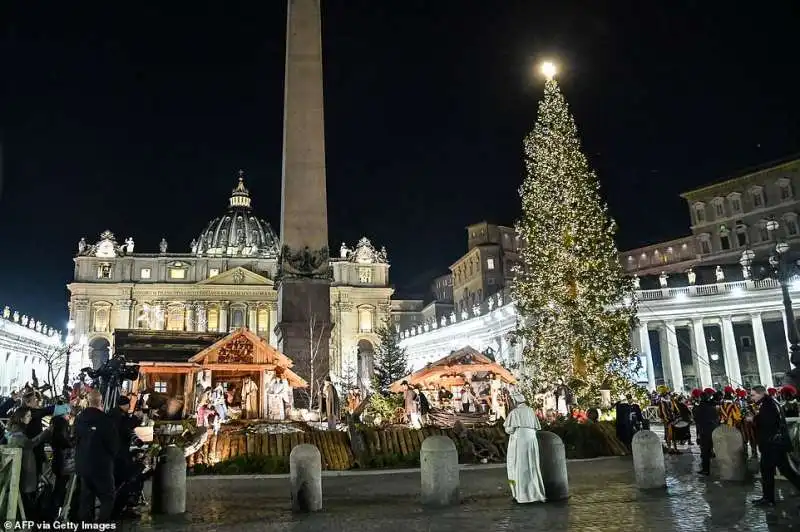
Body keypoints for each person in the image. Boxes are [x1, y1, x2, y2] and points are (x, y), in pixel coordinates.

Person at [748, 385, 800, 507]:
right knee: (780, 471)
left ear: (761, 394)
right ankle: (768, 498)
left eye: (753, 395)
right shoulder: (768, 402)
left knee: (775, 471)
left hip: (772, 445)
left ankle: (768, 499)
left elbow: (769, 423)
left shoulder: (768, 405)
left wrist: (753, 419)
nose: (751, 397)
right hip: (774, 444)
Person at [75, 389, 119, 522]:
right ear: (101, 401)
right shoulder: (105, 420)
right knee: (108, 497)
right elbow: (113, 445)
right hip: (101, 466)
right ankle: (102, 525)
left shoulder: (79, 419)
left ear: (88, 401)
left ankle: (85, 525)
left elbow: (75, 439)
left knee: (86, 499)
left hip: (83, 465)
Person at [5, 406, 53, 519]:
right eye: (28, 416)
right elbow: (30, 443)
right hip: (25, 471)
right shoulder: (17, 434)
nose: (30, 418)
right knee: (27, 500)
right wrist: (46, 432)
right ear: (21, 418)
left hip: (24, 469)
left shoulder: (16, 430)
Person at [503, 391, 546, 504]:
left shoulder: (515, 412)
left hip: (519, 442)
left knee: (519, 466)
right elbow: (536, 427)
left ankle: (521, 494)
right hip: (531, 441)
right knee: (532, 465)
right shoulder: (530, 411)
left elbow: (509, 429)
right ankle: (535, 493)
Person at [49, 401, 75, 519]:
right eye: (67, 413)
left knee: (59, 487)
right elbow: (65, 442)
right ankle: (56, 514)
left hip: (57, 461)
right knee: (60, 489)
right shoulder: (62, 425)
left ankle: (54, 512)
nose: (69, 415)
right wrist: (73, 441)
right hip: (63, 463)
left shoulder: (54, 424)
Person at [693, 388, 719, 476]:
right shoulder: (713, 407)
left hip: (704, 431)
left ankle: (706, 470)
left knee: (705, 452)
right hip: (714, 429)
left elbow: (696, 419)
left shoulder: (699, 408)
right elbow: (716, 417)